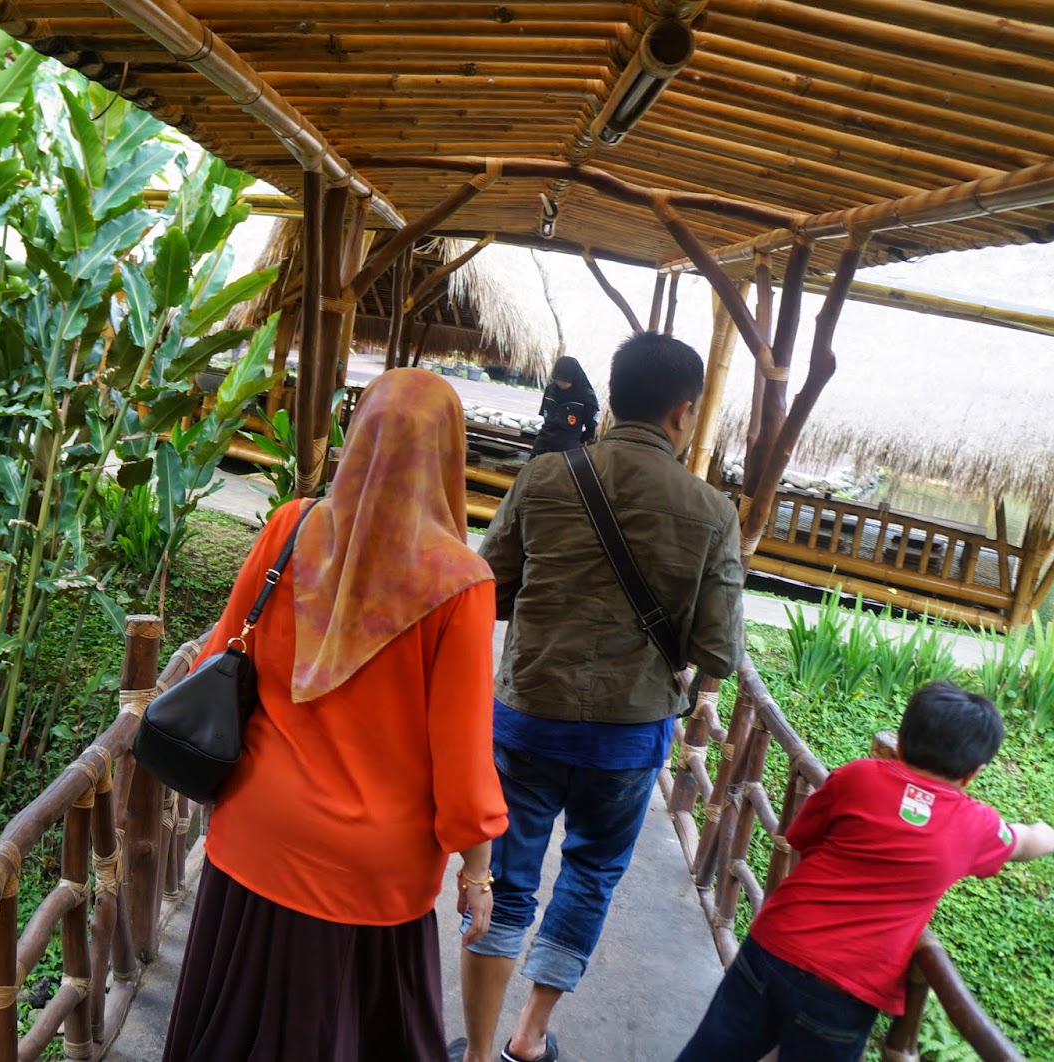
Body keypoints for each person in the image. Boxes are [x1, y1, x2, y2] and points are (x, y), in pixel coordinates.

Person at [162, 367, 509, 1062]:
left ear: (358, 435)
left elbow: (223, 652)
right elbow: (464, 756)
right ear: (449, 453)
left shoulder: (292, 527)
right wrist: (477, 872)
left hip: (257, 831)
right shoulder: (462, 584)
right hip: (372, 870)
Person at [455, 332, 745, 1062]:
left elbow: (489, 590)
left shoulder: (545, 477)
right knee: (589, 875)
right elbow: (719, 653)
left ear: (612, 399)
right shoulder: (712, 511)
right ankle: (530, 1037)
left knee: (506, 878)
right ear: (682, 412)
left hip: (527, 719)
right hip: (628, 734)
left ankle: (479, 1052)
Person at [674, 682, 1054, 1062]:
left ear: (901, 744)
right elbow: (1027, 842)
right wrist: (1049, 833)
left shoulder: (857, 776)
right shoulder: (976, 825)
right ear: (974, 773)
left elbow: (802, 840)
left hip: (771, 946)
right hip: (844, 991)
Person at [527, 356, 599, 457]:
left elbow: (590, 429)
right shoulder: (550, 390)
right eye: (558, 380)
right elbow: (546, 416)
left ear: (574, 378)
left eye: (565, 381)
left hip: (568, 445)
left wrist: (577, 444)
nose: (561, 384)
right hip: (544, 441)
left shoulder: (587, 397)